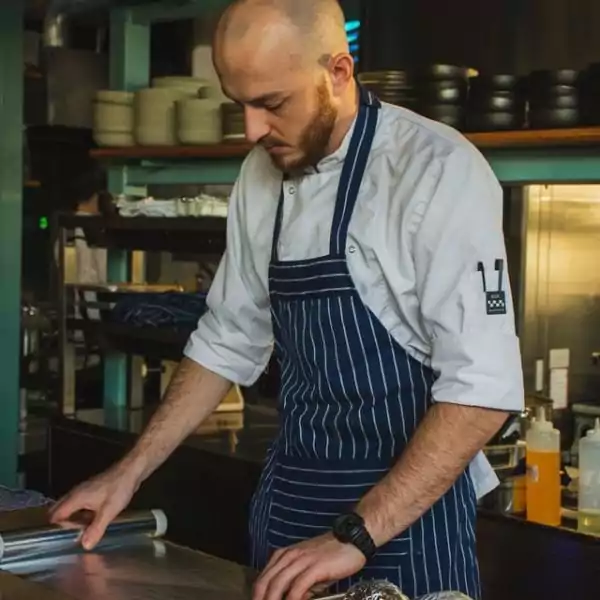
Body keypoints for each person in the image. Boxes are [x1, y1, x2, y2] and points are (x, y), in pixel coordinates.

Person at [50, 1, 524, 599]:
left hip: (407, 532)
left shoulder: (436, 170)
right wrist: (128, 473)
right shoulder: (261, 173)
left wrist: (355, 534)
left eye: (272, 104)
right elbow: (226, 339)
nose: (252, 131)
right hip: (290, 514)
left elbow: (481, 392)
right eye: (240, 105)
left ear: (339, 72)